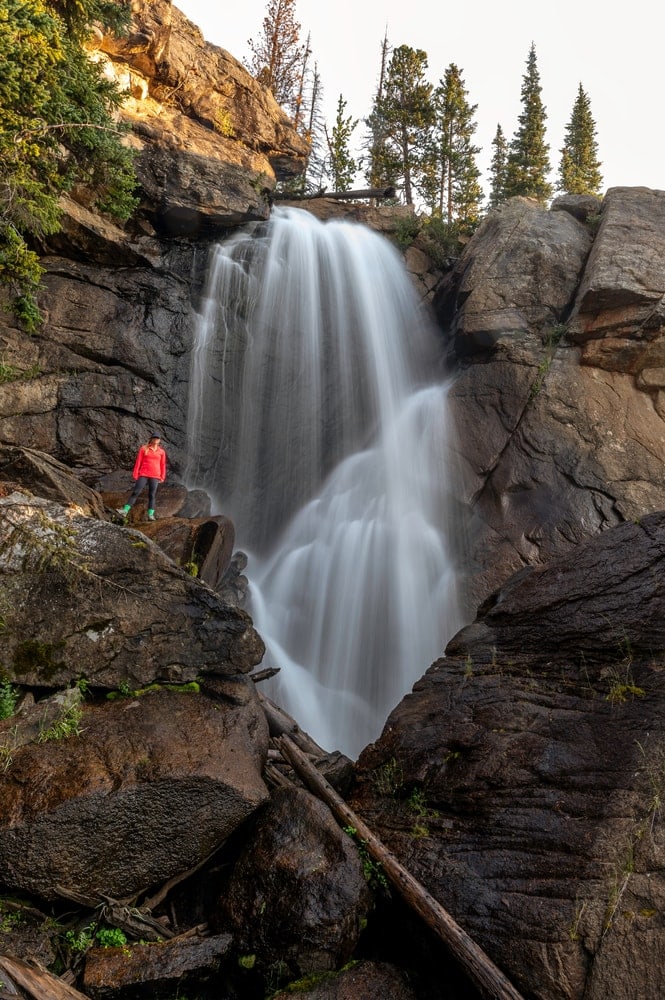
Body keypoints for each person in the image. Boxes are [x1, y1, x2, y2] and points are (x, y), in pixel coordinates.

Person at [117, 433, 167, 522]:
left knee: (152, 495)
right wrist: (135, 473)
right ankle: (125, 510)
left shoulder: (161, 452)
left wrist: (162, 476)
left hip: (155, 475)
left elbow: (162, 464)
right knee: (136, 492)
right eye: (154, 438)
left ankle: (150, 515)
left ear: (159, 440)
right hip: (143, 474)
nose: (156, 440)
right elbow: (138, 462)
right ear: (151, 439)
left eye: (157, 438)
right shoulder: (144, 449)